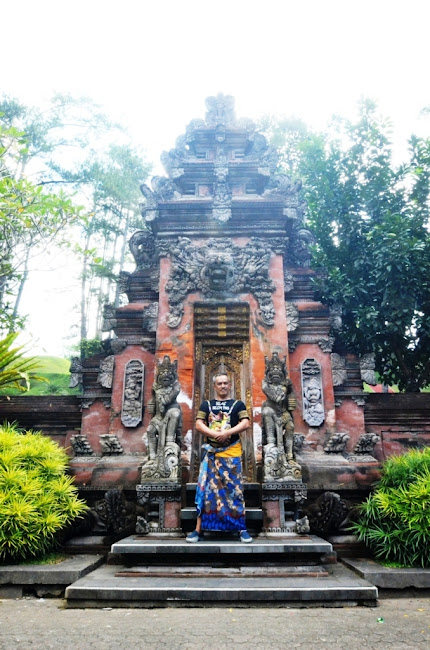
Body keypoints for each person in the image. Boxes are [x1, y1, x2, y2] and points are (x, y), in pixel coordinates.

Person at [186, 373, 253, 543]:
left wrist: (227, 433)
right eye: (219, 383)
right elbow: (199, 424)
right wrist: (214, 434)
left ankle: (241, 528)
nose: (223, 386)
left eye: (225, 383)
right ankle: (198, 530)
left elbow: (245, 423)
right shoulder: (206, 405)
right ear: (214, 386)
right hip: (211, 455)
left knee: (235, 491)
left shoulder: (238, 404)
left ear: (230, 385)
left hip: (232, 454)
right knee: (205, 492)